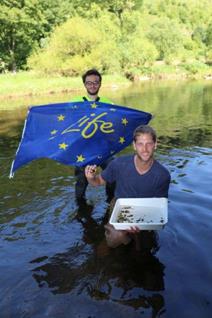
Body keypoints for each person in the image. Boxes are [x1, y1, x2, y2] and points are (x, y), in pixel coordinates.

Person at [85, 125, 171, 249]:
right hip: (120, 206)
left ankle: (137, 245)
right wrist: (91, 177)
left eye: (149, 144)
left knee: (143, 249)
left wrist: (143, 223)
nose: (145, 149)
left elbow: (160, 205)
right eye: (140, 144)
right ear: (134, 145)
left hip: (145, 210)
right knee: (115, 238)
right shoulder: (119, 164)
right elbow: (98, 182)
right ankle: (109, 247)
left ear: (155, 145)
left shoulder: (163, 175)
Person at [71, 69, 115, 204]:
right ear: (84, 84)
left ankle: (110, 200)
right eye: (89, 83)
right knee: (81, 180)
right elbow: (58, 116)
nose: (92, 85)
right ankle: (80, 206)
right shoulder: (75, 103)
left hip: (103, 149)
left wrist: (143, 118)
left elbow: (120, 122)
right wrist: (34, 111)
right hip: (83, 151)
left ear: (100, 84)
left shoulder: (108, 104)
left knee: (113, 172)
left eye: (96, 82)